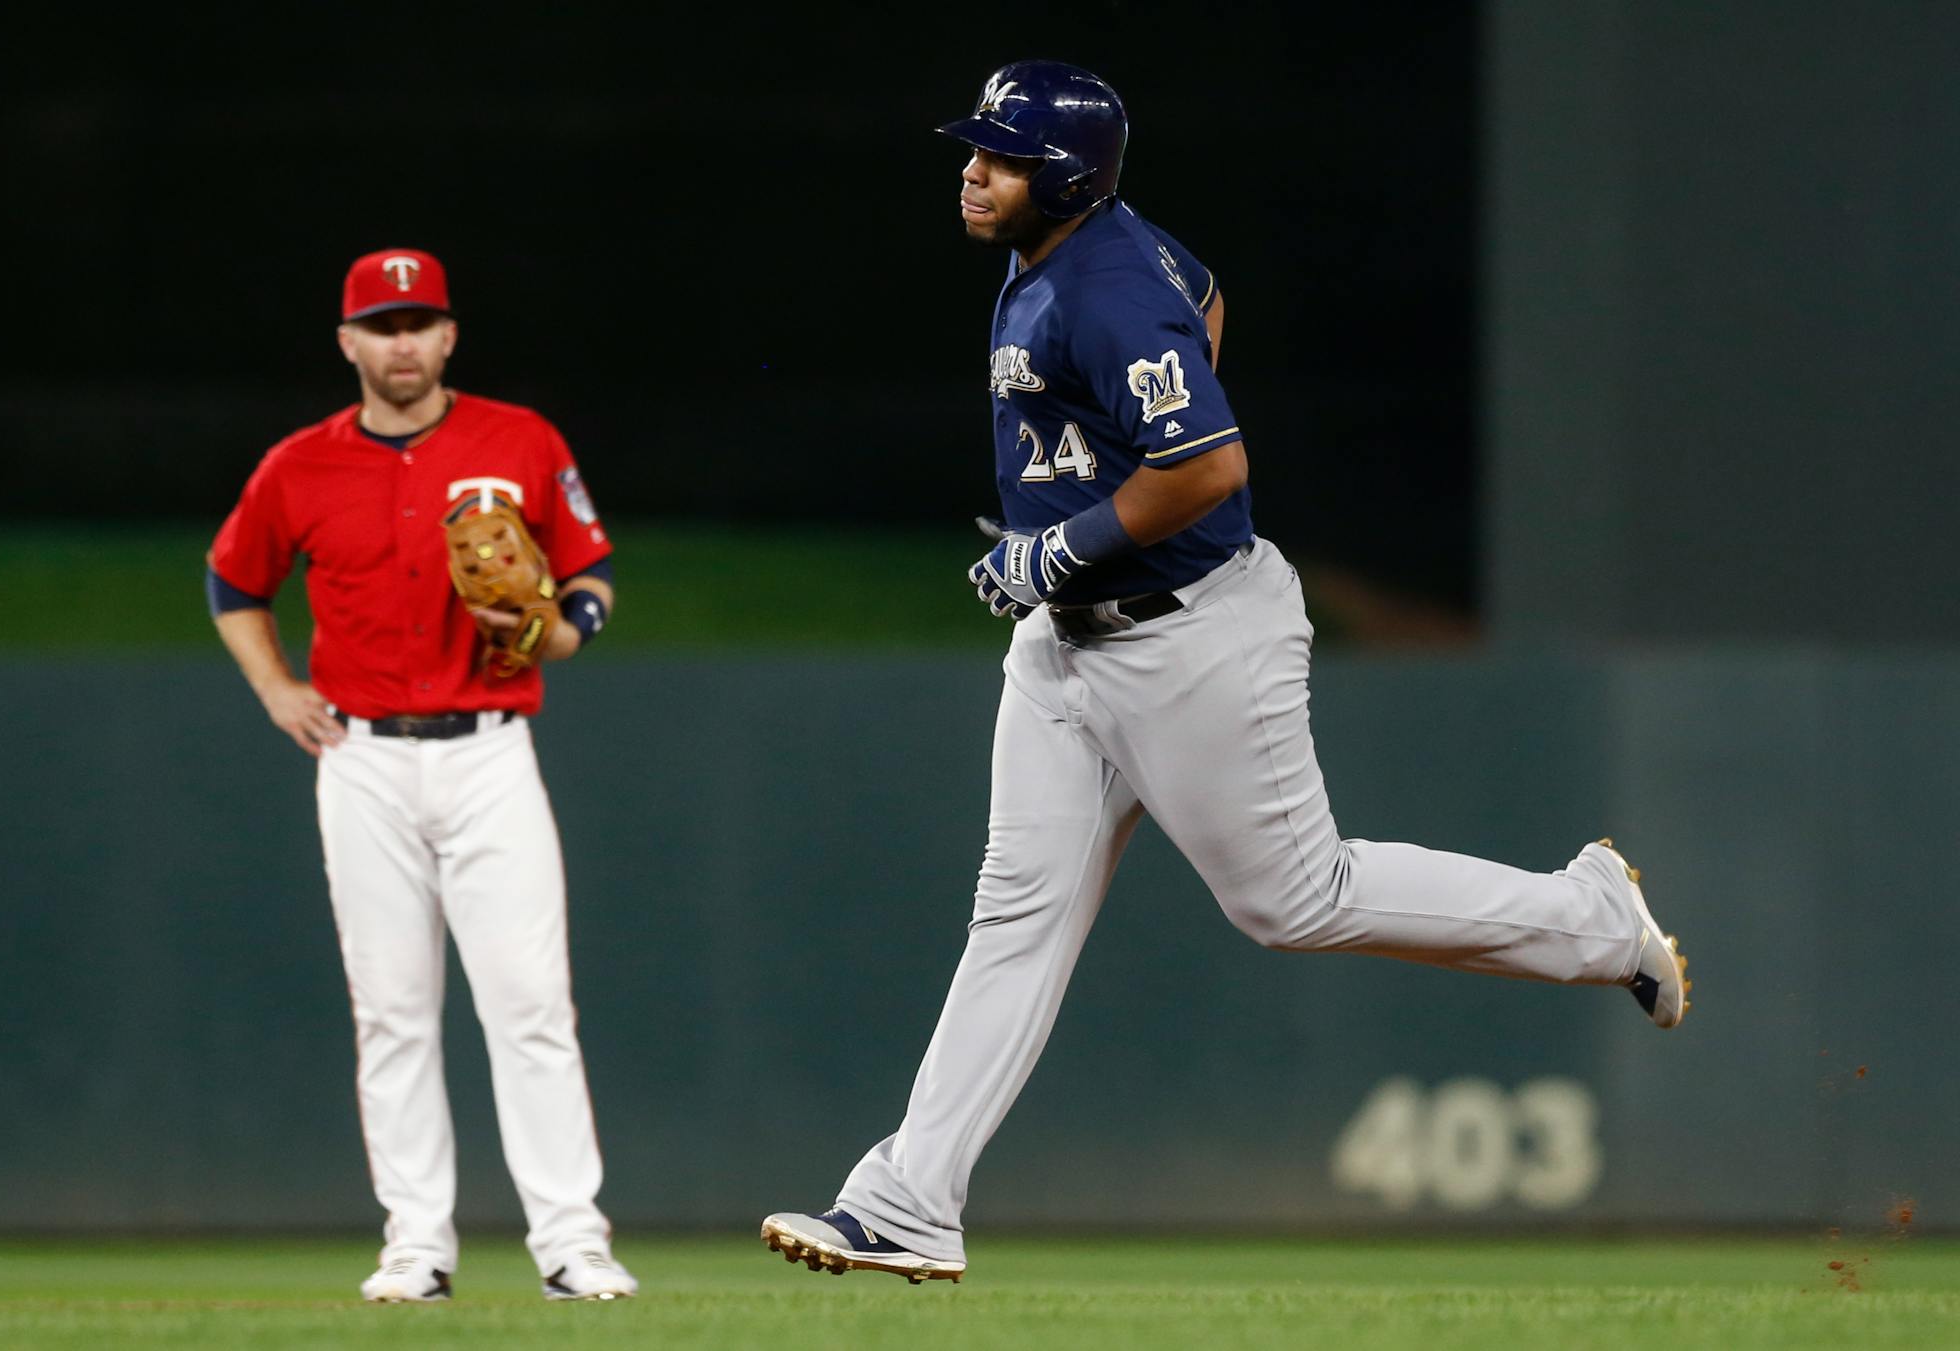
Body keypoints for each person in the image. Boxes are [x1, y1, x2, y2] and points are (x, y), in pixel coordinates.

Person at [760, 61, 1690, 1285]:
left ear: (1069, 176)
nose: (972, 170)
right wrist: (1069, 550)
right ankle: (907, 1201)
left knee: (1294, 902)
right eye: (976, 148)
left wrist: (1064, 542)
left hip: (1190, 633)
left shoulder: (1097, 288)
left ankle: (1594, 917)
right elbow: (1205, 300)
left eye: (1000, 154)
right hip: (1066, 650)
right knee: (1015, 918)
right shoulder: (1080, 253)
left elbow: (1208, 467)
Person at [207, 248, 636, 1303]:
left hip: (491, 749)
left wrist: (559, 634)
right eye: (381, 323)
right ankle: (416, 1245)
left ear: (449, 335)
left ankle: (572, 1245)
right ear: (348, 341)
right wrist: (274, 690)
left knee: (530, 1002)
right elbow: (231, 581)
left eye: (419, 321)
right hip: (361, 758)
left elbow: (591, 575)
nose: (401, 341)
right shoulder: (296, 466)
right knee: (391, 1009)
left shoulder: (520, 439)